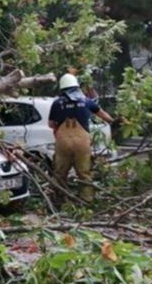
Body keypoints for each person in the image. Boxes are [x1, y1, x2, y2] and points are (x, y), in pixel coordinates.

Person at [49, 73, 114, 202]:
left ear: (62, 88)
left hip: (63, 142)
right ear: (76, 86)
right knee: (84, 174)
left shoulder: (57, 103)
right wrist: (115, 121)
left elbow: (51, 124)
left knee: (60, 174)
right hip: (82, 143)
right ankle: (87, 201)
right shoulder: (86, 101)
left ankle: (58, 201)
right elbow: (106, 117)